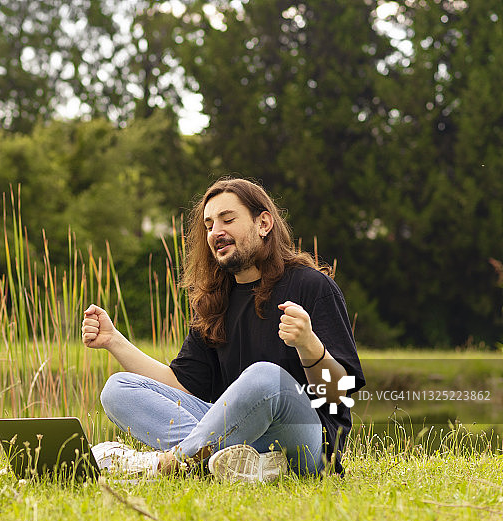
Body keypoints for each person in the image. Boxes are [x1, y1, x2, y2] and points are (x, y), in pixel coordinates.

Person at [82, 177, 365, 482]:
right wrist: (114, 341)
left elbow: (337, 394)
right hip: (235, 439)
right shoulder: (216, 301)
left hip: (307, 444)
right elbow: (181, 385)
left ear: (264, 223)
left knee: (265, 377)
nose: (216, 231)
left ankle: (170, 464)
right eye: (208, 225)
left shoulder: (311, 286)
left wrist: (308, 343)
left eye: (227, 219)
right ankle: (237, 465)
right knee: (119, 388)